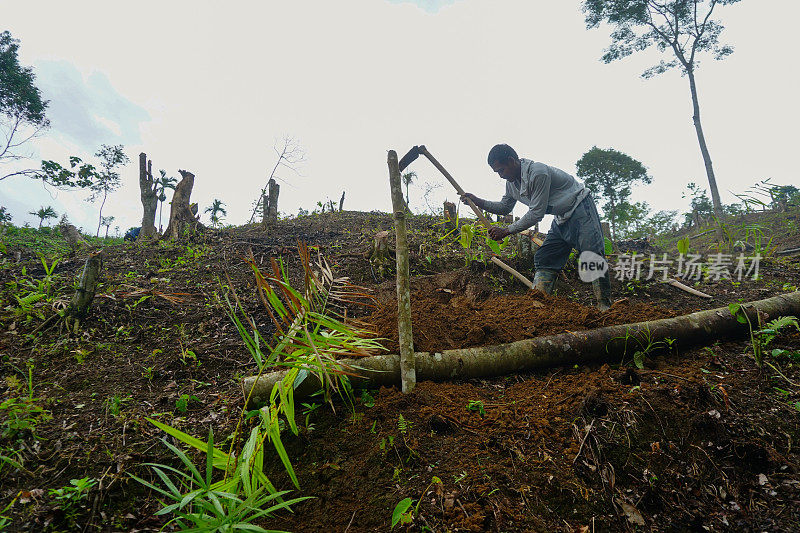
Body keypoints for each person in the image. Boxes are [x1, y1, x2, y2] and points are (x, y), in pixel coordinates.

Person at [461, 144, 612, 310]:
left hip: (580, 208)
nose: (500, 175)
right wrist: (478, 202)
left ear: (512, 161)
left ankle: (604, 306)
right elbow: (504, 207)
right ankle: (538, 307)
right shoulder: (512, 183)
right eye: (497, 172)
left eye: (501, 170)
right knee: (546, 257)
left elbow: (536, 213)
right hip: (561, 217)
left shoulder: (538, 173)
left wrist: (506, 231)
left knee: (592, 254)